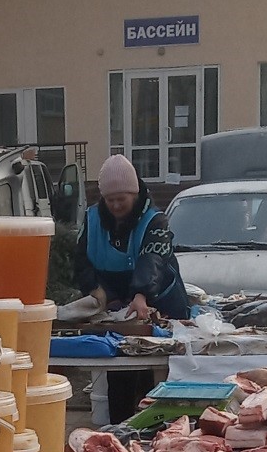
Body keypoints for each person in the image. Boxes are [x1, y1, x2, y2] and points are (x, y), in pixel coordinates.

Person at [75, 153, 191, 419]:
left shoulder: (155, 221)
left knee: (156, 378)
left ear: (135, 195)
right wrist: (96, 292)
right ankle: (120, 432)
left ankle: (159, 433)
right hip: (116, 308)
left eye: (122, 199)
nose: (116, 205)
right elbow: (81, 260)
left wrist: (141, 295)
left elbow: (152, 260)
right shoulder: (92, 219)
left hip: (159, 303)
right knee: (121, 370)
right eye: (110, 200)